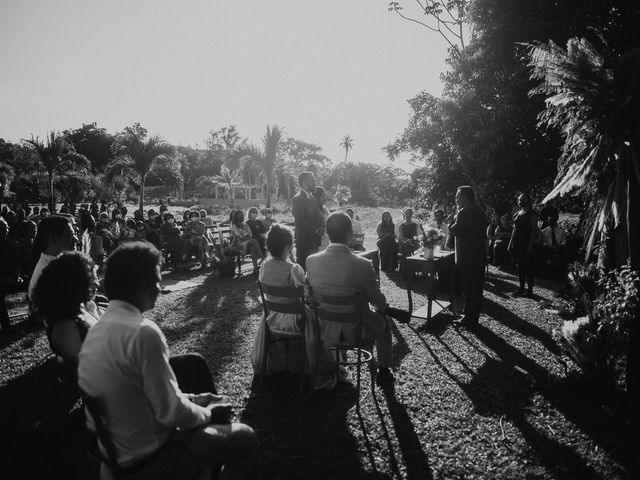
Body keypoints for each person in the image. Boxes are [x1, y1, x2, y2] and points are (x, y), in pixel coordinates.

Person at [78, 242, 257, 479]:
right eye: (158, 280)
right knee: (246, 437)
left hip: (116, 455)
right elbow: (170, 413)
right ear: (144, 286)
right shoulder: (142, 332)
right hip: (151, 457)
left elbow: (139, 396)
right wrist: (210, 413)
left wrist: (195, 399)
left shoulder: (96, 332)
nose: (160, 288)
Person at [306, 212, 410, 386]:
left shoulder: (311, 261)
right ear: (349, 233)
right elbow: (379, 303)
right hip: (354, 330)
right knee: (383, 322)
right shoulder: (362, 264)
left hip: (321, 327)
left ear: (327, 233)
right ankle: (383, 371)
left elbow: (308, 293)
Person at [250, 225, 335, 389]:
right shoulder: (293, 269)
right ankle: (311, 365)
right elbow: (306, 294)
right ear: (288, 246)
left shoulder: (264, 266)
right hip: (295, 320)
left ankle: (289, 363)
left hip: (272, 317)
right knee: (318, 320)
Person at [32, 251, 101, 379]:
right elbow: (87, 374)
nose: (97, 283)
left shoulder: (72, 311)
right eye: (91, 278)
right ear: (75, 284)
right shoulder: (66, 330)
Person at [448, 186, 487, 327]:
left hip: (467, 256)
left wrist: (450, 223)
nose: (456, 199)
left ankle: (469, 319)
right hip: (479, 255)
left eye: (458, 196)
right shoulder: (480, 211)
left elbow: (456, 230)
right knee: (476, 288)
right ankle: (472, 315)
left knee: (468, 288)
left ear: (465, 197)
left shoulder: (464, 212)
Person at [28, 215, 77, 304]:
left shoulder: (55, 263)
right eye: (70, 235)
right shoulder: (50, 271)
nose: (76, 240)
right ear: (53, 240)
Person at [508, 194, 538, 297]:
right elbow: (514, 230)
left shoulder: (532, 213)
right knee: (520, 266)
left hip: (527, 242)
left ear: (527, 200)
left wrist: (530, 245)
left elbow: (534, 231)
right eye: (519, 199)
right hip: (517, 242)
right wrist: (510, 243)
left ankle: (529, 290)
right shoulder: (517, 214)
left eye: (522, 199)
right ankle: (521, 288)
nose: (520, 201)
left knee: (528, 266)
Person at [291, 171, 322, 269]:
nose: (315, 183)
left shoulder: (313, 198)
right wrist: (315, 230)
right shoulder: (297, 199)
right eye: (313, 180)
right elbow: (300, 221)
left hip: (315, 241)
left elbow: (318, 216)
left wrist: (322, 226)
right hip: (304, 242)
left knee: (313, 269)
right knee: (303, 269)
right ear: (304, 182)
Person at [0, 218, 22, 334]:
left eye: (6, 229)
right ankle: (6, 325)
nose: (6, 231)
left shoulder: (11, 245)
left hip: (8, 279)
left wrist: (17, 276)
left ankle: (6, 325)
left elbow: (15, 264)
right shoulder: (11, 245)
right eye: (4, 229)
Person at [230, 210, 264, 275]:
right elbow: (238, 236)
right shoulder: (234, 225)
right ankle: (262, 257)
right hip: (239, 244)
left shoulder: (245, 224)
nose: (241, 216)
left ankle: (255, 269)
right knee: (253, 241)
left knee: (252, 248)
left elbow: (250, 234)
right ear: (236, 216)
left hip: (247, 243)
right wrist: (247, 237)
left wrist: (246, 237)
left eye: (242, 215)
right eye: (239, 215)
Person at [314, 187, 330, 251]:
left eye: (325, 196)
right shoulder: (312, 210)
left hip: (325, 242)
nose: (325, 198)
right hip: (316, 243)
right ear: (317, 197)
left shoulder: (325, 209)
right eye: (323, 196)